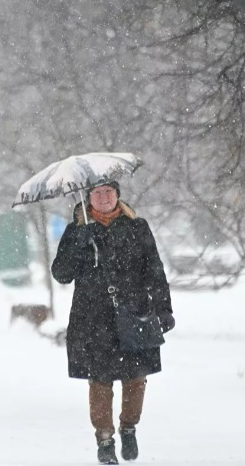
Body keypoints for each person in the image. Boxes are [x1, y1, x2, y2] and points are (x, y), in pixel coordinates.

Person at [51, 180, 175, 465]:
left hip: (134, 312)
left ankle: (128, 427)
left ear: (118, 195)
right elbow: (61, 274)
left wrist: (164, 308)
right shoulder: (77, 230)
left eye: (108, 192)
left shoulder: (137, 227)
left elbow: (154, 269)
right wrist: (79, 243)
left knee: (136, 377)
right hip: (92, 318)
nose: (104, 197)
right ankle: (105, 440)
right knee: (100, 380)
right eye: (97, 193)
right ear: (88, 198)